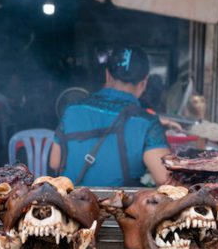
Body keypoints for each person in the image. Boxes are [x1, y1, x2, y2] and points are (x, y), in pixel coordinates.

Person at [49, 46, 170, 186]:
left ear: (107, 75)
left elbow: (54, 162)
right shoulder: (147, 123)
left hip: (70, 205)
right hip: (117, 206)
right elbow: (165, 180)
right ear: (144, 82)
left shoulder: (72, 109)